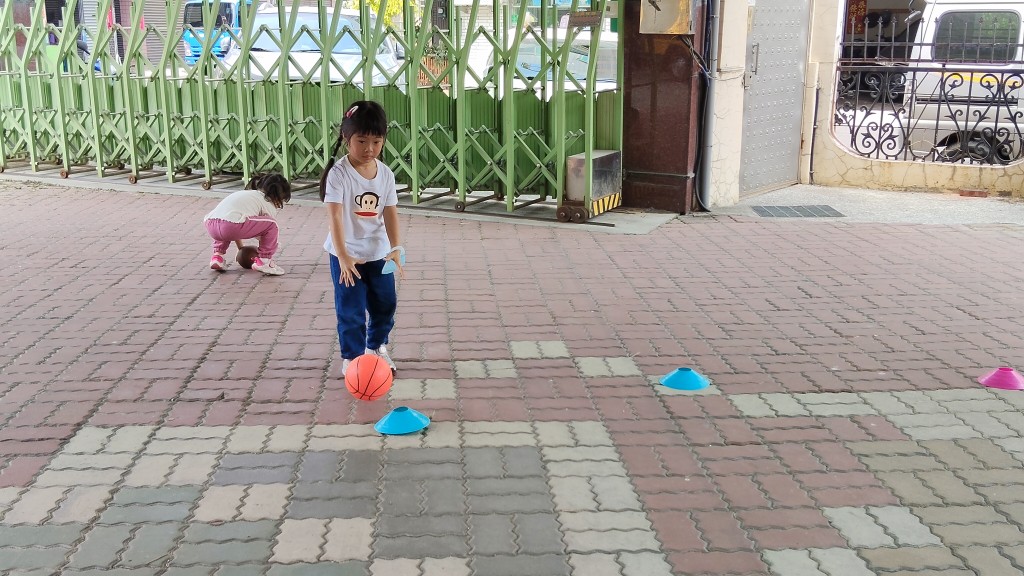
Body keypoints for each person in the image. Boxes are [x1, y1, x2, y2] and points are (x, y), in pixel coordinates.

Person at [319, 101, 403, 375]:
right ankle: (353, 358)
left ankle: (376, 347)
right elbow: (335, 217)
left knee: (386, 304)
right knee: (351, 310)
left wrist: (396, 247)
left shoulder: (386, 174)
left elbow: (390, 212)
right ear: (347, 138)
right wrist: (343, 256)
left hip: (379, 254)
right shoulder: (339, 174)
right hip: (347, 255)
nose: (369, 149)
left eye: (376, 142)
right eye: (362, 141)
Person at [203, 173, 291, 275]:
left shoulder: (245, 194)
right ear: (278, 197)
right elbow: (265, 231)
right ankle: (264, 261)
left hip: (211, 224)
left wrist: (240, 248)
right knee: (272, 224)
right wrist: (273, 245)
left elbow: (233, 225)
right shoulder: (267, 202)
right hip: (231, 226)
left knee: (227, 220)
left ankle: (218, 257)